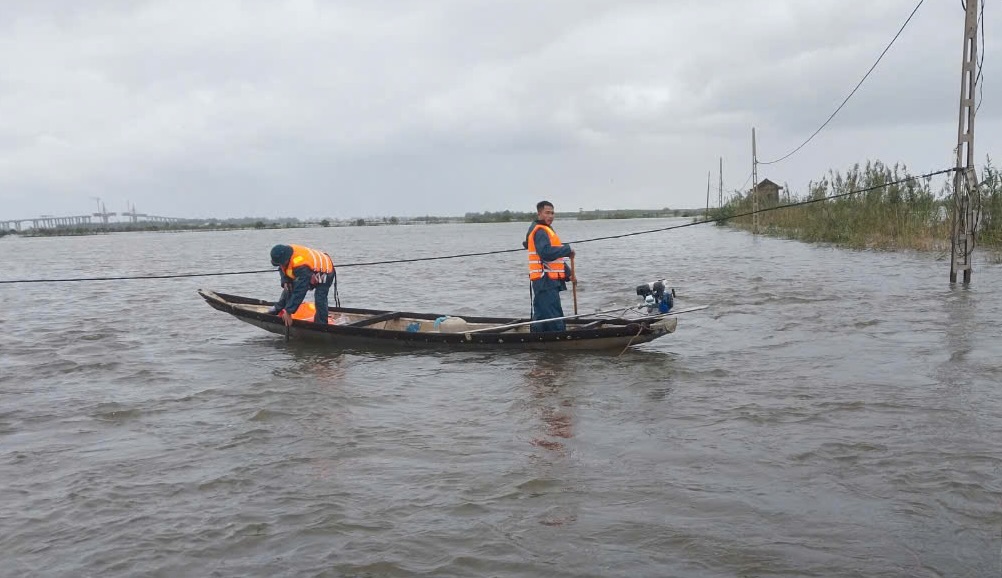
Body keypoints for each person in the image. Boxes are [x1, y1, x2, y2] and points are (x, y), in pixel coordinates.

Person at [524, 200, 575, 332]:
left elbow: (555, 259)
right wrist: (567, 249)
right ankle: (559, 338)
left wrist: (569, 274)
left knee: (542, 314)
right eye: (547, 213)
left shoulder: (546, 230)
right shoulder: (540, 231)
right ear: (539, 214)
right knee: (553, 315)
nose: (550, 216)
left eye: (552, 213)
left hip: (548, 280)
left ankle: (538, 341)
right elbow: (545, 253)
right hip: (544, 280)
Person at [267, 244, 337, 326]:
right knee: (289, 286)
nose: (280, 265)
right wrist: (285, 281)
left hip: (326, 270)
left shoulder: (300, 265)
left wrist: (289, 311)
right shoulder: (286, 255)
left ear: (286, 260)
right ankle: (278, 308)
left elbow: (300, 291)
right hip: (308, 269)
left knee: (320, 298)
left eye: (281, 263)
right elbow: (282, 269)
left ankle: (322, 324)